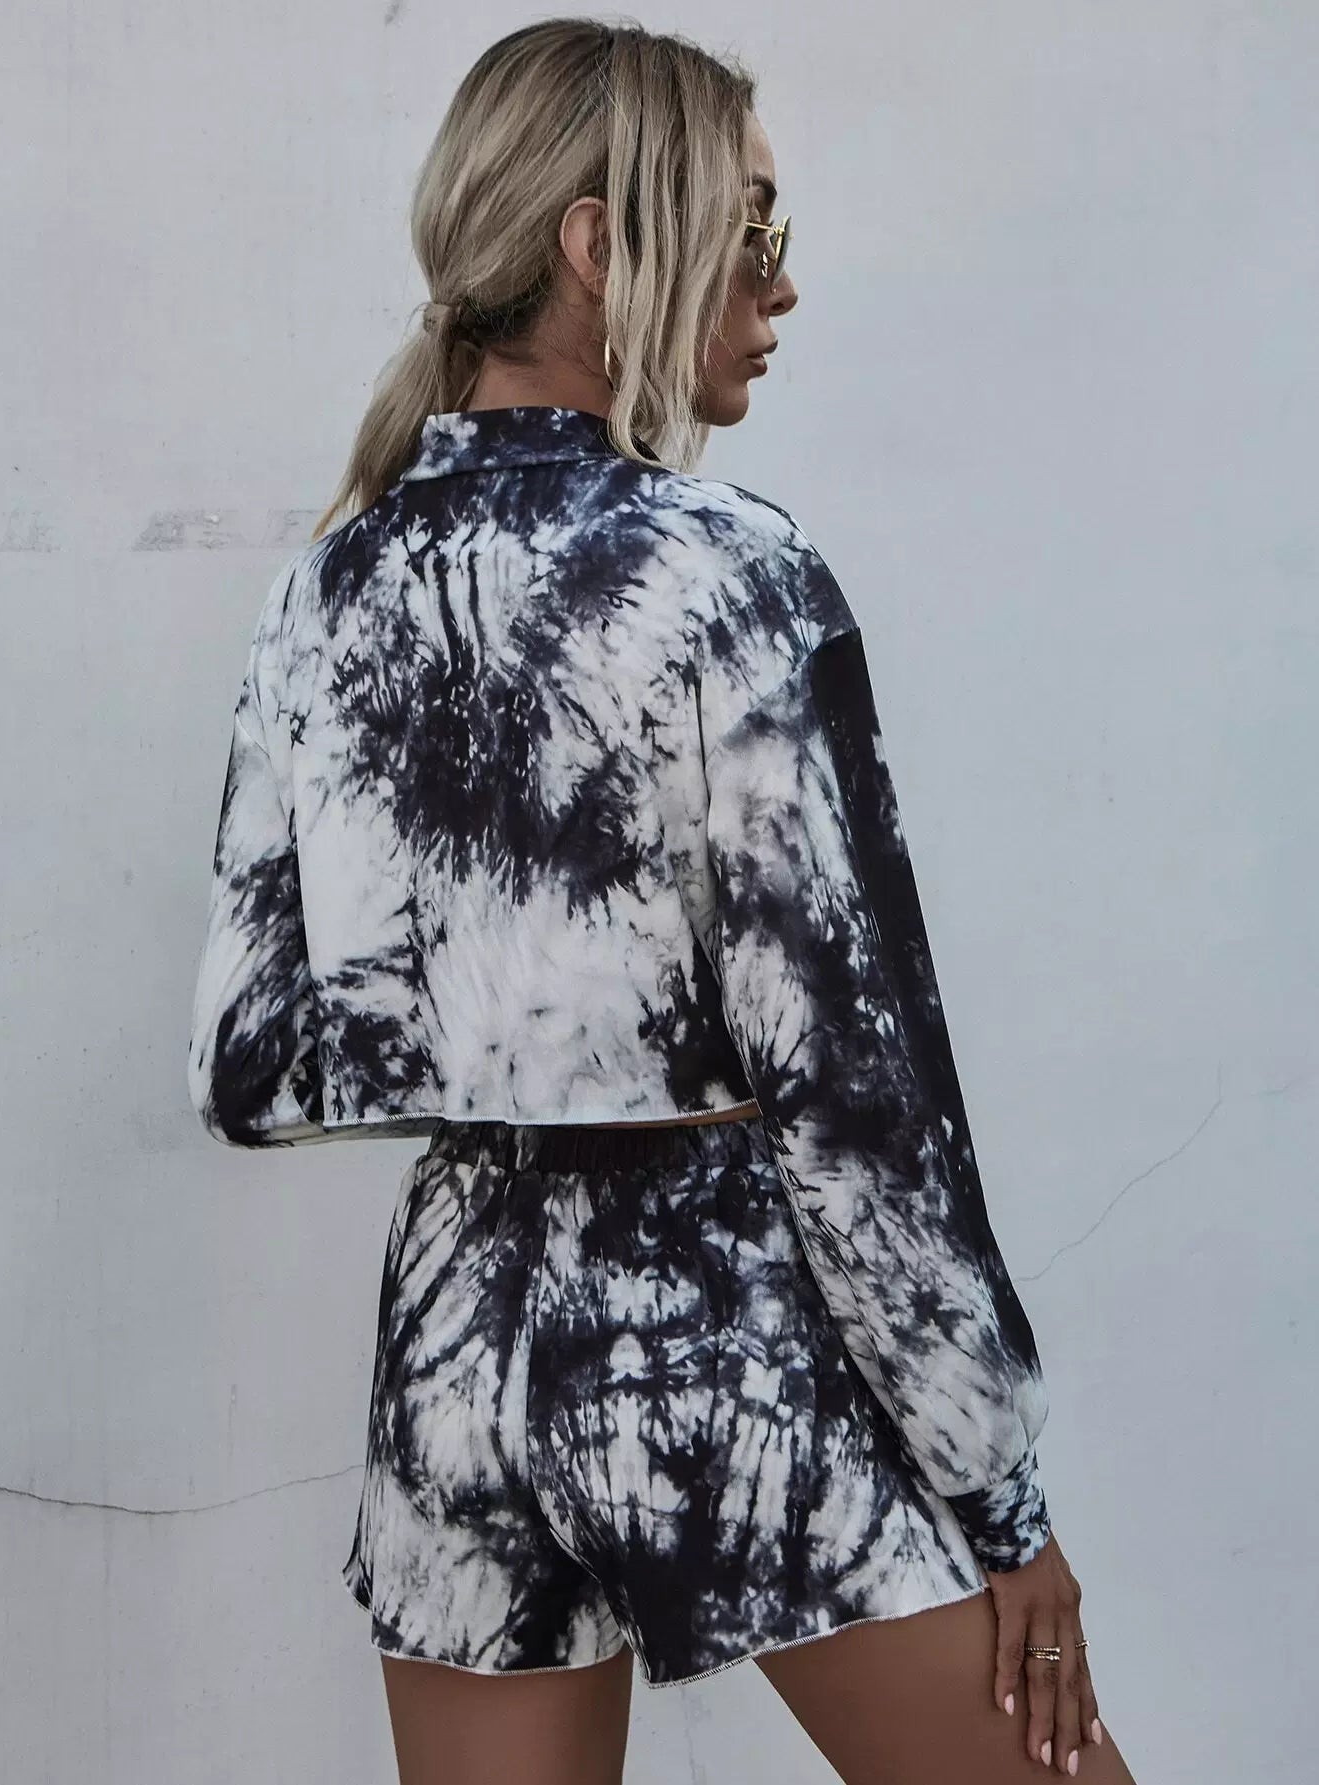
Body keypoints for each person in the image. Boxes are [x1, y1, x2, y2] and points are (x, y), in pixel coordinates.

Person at [186, 19, 1139, 1785]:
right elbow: (858, 1098)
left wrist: (500, 1011)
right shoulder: (731, 573)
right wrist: (1004, 1502)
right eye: (753, 226)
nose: (783, 284)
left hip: (454, 1345)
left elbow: (250, 1067)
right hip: (718, 1320)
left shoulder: (324, 586)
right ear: (599, 243)